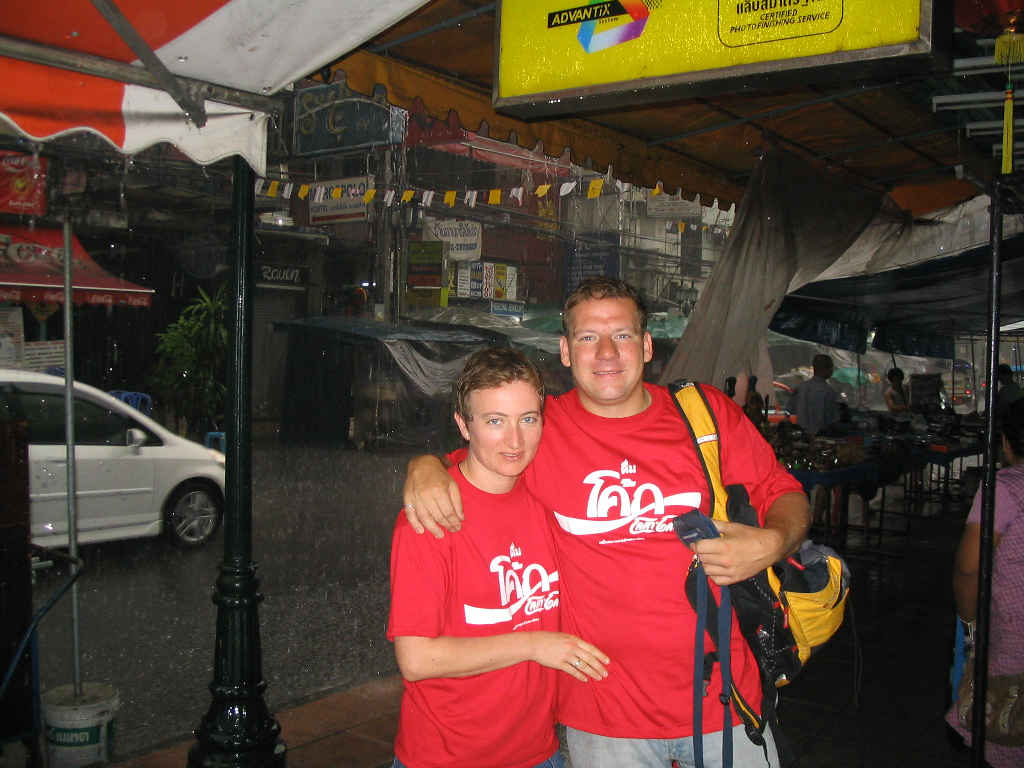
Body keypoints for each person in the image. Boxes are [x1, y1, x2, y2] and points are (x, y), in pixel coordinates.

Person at [403, 278, 809, 768]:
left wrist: (774, 541)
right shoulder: (541, 428)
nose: (607, 353)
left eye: (622, 335)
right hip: (602, 714)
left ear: (646, 345)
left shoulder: (703, 415)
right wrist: (424, 466)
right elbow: (481, 457)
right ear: (565, 351)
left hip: (724, 699)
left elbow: (784, 492)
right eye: (588, 337)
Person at [387, 347, 609, 768]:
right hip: (446, 759)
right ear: (463, 425)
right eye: (494, 421)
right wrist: (533, 644)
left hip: (538, 753)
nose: (514, 441)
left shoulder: (548, 501)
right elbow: (416, 660)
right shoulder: (431, 516)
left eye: (528, 419)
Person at [946, 397, 1024, 768]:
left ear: (1006, 443)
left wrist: (969, 626)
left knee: (1003, 722)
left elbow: (968, 569)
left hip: (1012, 635)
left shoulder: (1004, 489)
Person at [790, 354, 839, 436]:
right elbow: (832, 419)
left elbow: (791, 410)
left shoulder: (801, 387)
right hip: (821, 436)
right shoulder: (829, 392)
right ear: (826, 369)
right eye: (831, 368)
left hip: (802, 436)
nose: (832, 371)